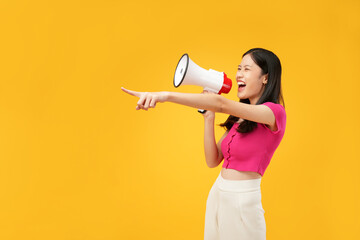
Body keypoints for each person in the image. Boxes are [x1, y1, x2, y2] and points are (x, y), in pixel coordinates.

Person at [121, 48, 286, 240]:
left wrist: (165, 96)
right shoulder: (240, 117)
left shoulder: (274, 113)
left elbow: (221, 103)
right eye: (238, 68)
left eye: (247, 69)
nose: (239, 74)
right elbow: (212, 160)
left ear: (265, 78)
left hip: (243, 201)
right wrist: (209, 118)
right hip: (218, 194)